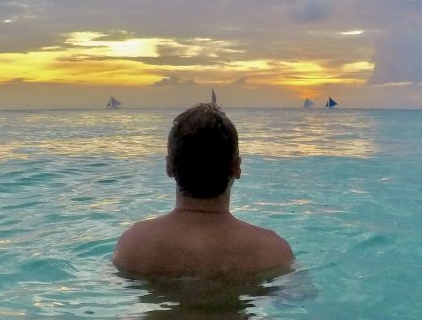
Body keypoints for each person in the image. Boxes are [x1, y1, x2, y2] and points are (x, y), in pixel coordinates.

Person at [113, 103, 294, 278]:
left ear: (169, 167)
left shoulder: (132, 245)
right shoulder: (273, 251)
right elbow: (298, 299)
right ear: (237, 168)